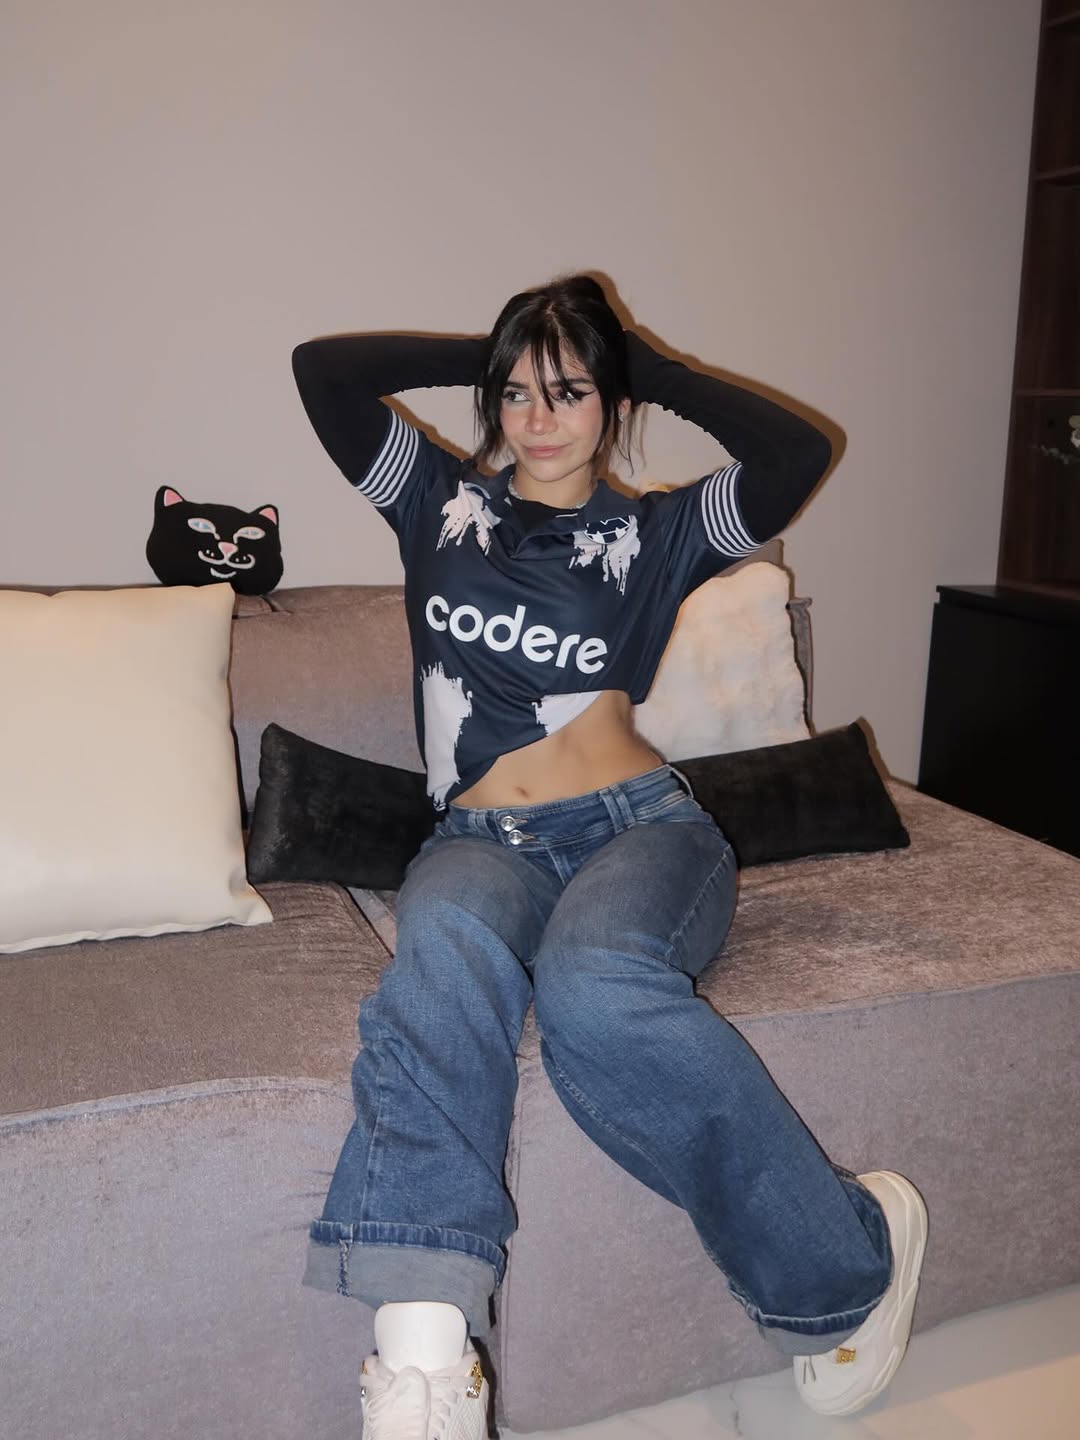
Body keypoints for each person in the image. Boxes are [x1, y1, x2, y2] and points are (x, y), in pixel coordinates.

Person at [291, 274, 927, 1437]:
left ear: (611, 403)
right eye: (518, 393)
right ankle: (426, 1368)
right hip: (479, 841)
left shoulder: (657, 532)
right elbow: (322, 371)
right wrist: (497, 347)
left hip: (636, 827)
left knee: (594, 990)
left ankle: (848, 1259)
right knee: (439, 944)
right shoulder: (437, 503)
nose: (540, 417)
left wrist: (647, 362)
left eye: (572, 390)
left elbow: (797, 452)